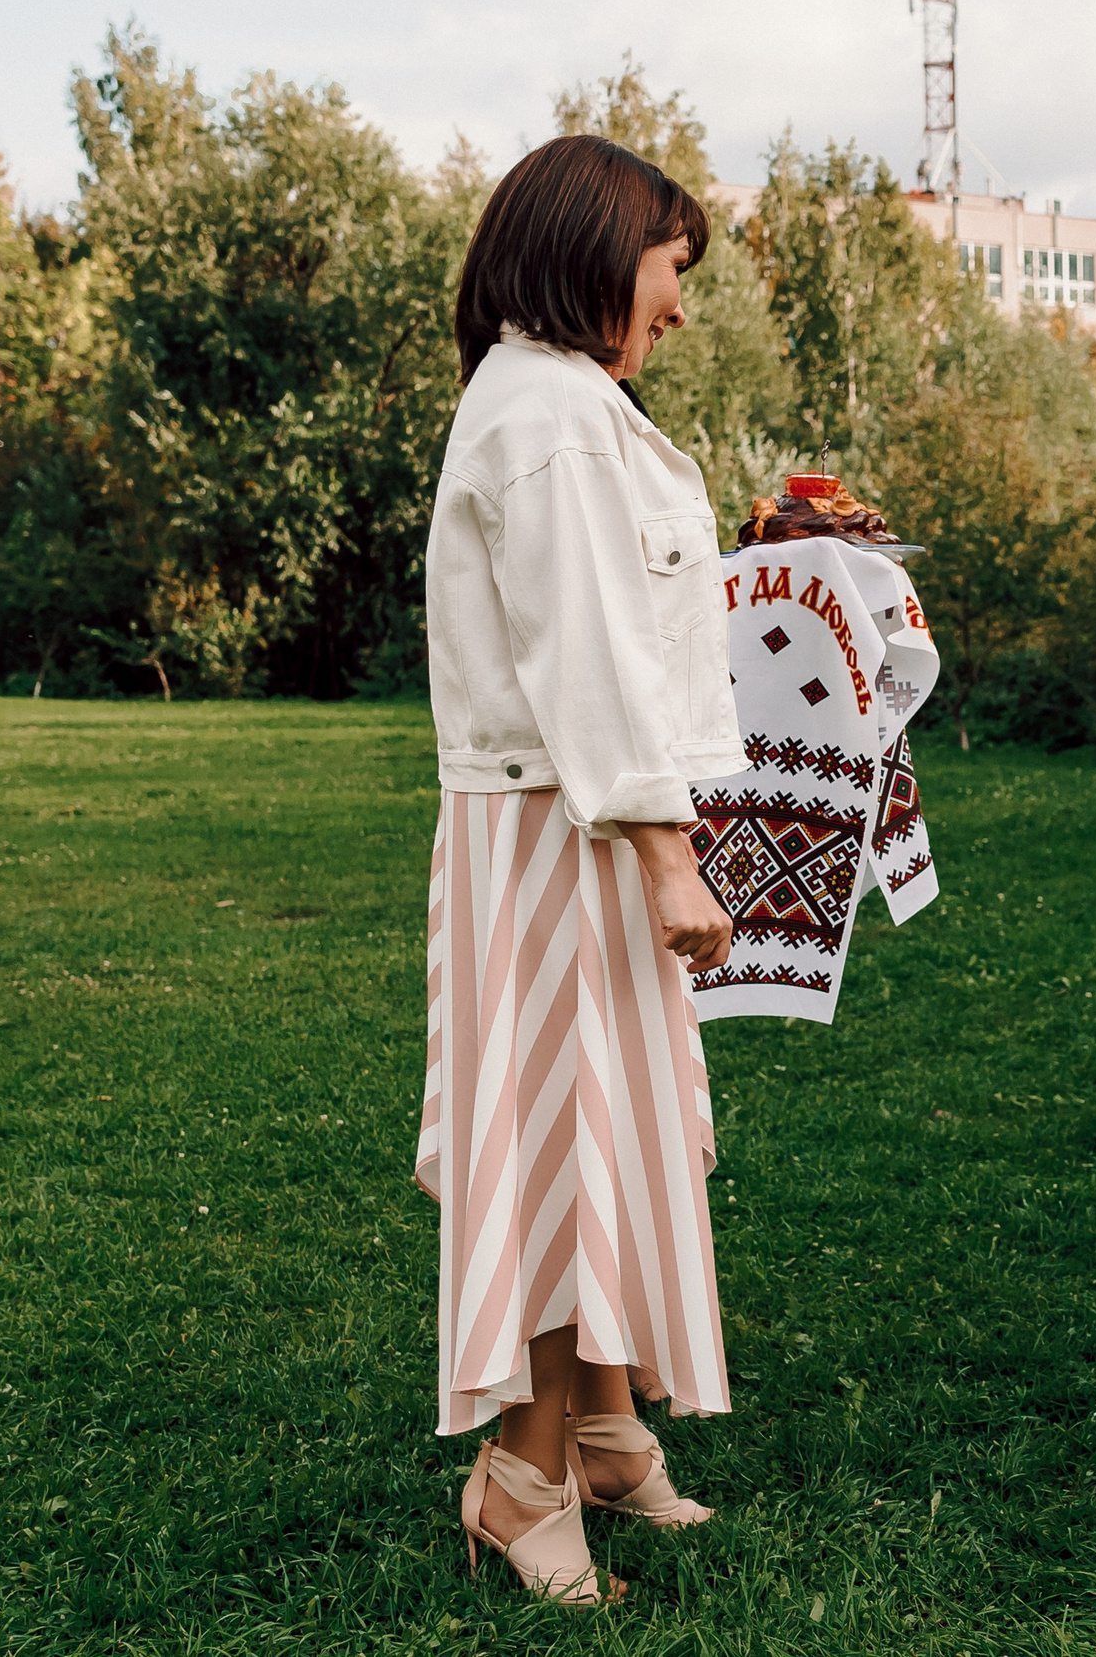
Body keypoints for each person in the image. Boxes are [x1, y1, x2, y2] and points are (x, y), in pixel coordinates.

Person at [422, 134, 742, 1606]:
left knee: (601, 1139)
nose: (679, 301)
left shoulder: (562, 402)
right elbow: (589, 660)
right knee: (565, 1160)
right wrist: (669, 858)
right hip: (569, 831)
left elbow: (637, 624)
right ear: (601, 249)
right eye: (673, 266)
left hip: (574, 825)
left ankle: (604, 1429)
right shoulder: (549, 415)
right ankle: (521, 1474)